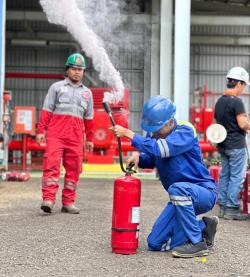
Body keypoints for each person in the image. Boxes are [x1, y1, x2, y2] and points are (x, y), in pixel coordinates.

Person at [111, 95, 218, 258]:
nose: (154, 134)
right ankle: (204, 226)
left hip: (203, 193)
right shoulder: (157, 135)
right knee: (155, 244)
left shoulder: (185, 131)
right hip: (180, 197)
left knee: (177, 189)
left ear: (169, 122)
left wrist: (128, 134)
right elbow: (155, 156)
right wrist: (140, 158)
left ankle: (197, 244)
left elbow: (162, 150)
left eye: (157, 129)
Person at [36, 53, 94, 214]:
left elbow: (89, 118)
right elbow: (47, 110)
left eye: (80, 70)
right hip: (56, 135)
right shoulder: (56, 88)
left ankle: (68, 202)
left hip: (76, 138)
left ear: (83, 72)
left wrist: (90, 138)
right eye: (74, 69)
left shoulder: (87, 94)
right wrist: (41, 130)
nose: (77, 72)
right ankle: (48, 199)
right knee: (52, 165)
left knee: (74, 169)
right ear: (67, 70)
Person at [214, 66, 250, 220]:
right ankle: (231, 208)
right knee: (236, 177)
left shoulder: (219, 101)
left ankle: (222, 207)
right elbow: (242, 124)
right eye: (244, 85)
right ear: (239, 84)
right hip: (236, 145)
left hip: (223, 145)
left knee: (225, 175)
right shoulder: (237, 102)